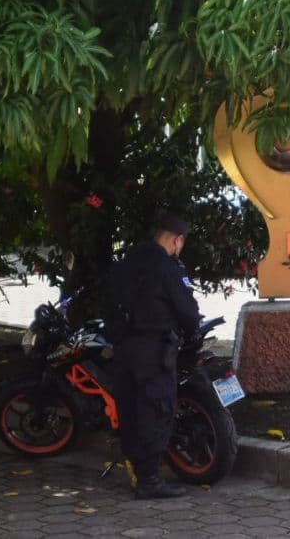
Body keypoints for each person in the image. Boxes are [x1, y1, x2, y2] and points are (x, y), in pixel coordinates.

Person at [108, 210, 201, 500]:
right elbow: (188, 312)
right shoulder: (167, 268)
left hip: (125, 350)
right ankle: (149, 480)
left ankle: (137, 472)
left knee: (131, 409)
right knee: (156, 410)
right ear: (177, 240)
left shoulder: (126, 264)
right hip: (154, 351)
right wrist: (192, 332)